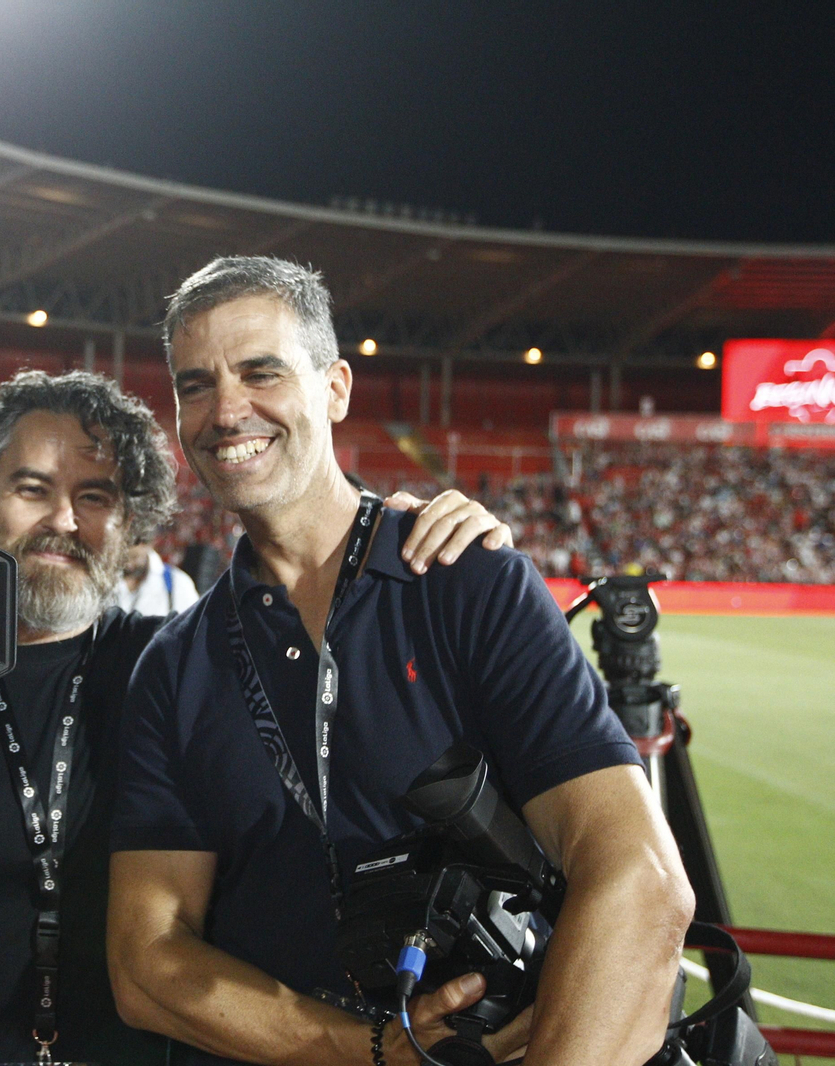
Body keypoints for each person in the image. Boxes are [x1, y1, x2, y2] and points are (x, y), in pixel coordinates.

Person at [0, 370, 513, 1066]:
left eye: (95, 496)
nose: (64, 520)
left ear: (131, 522)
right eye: (32, 488)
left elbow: (344, 648)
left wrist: (414, 545)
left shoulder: (183, 667)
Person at [107, 258, 695, 1066]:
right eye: (196, 385)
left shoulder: (466, 581)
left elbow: (640, 875)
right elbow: (146, 963)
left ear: (336, 389)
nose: (226, 411)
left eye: (260, 372)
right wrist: (374, 1048)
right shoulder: (174, 666)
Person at [114, 541, 200, 615]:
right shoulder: (109, 579)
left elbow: (193, 625)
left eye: (134, 557)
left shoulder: (179, 583)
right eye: (123, 559)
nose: (128, 565)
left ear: (146, 545)